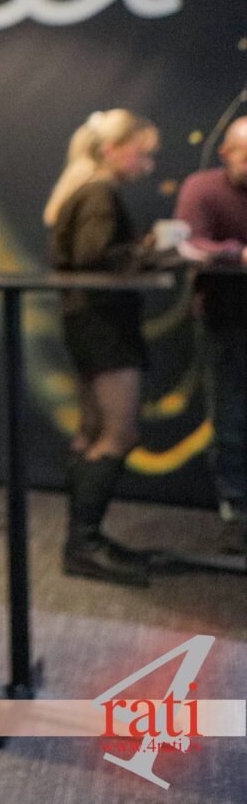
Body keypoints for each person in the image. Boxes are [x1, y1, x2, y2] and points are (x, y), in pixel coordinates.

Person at [43, 109, 161, 586]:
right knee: (117, 433)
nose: (148, 164)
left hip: (84, 323)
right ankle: (84, 544)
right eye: (142, 153)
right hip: (104, 327)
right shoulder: (99, 193)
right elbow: (94, 257)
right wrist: (150, 251)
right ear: (112, 149)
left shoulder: (81, 190)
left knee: (92, 432)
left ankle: (83, 541)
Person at [173, 116, 247, 553]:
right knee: (232, 418)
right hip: (225, 320)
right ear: (226, 153)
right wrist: (238, 255)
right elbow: (189, 244)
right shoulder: (201, 188)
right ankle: (237, 512)